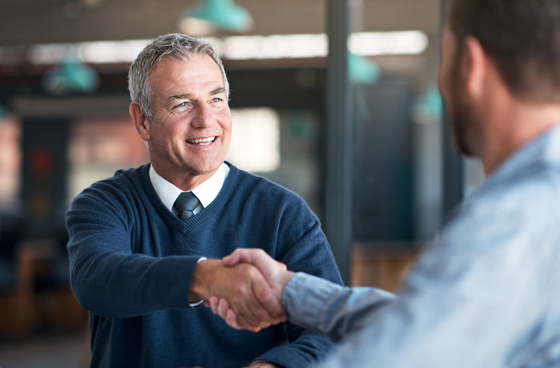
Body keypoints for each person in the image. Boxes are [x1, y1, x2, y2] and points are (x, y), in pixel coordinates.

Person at [209, 0, 560, 366]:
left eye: (444, 56)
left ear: (471, 65)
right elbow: (425, 319)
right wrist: (289, 291)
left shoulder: (514, 218)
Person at [66, 33, 342, 368]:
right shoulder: (105, 203)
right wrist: (205, 277)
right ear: (142, 120)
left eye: (216, 100)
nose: (205, 120)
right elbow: (97, 279)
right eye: (182, 104)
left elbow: (330, 330)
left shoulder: (283, 213)